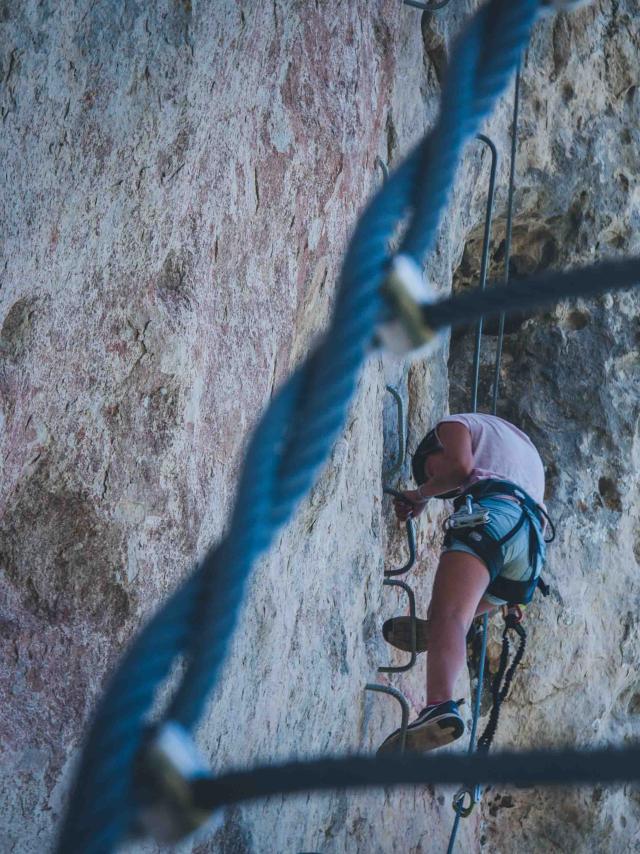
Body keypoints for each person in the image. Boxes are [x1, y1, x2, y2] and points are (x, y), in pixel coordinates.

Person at [377, 412, 548, 754]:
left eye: (430, 469)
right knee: (459, 616)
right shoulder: (520, 449)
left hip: (495, 521)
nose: (444, 486)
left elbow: (458, 470)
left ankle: (439, 705)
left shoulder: (452, 426)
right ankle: (439, 635)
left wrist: (421, 493)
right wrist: (513, 602)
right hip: (530, 551)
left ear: (432, 449)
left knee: (449, 615)